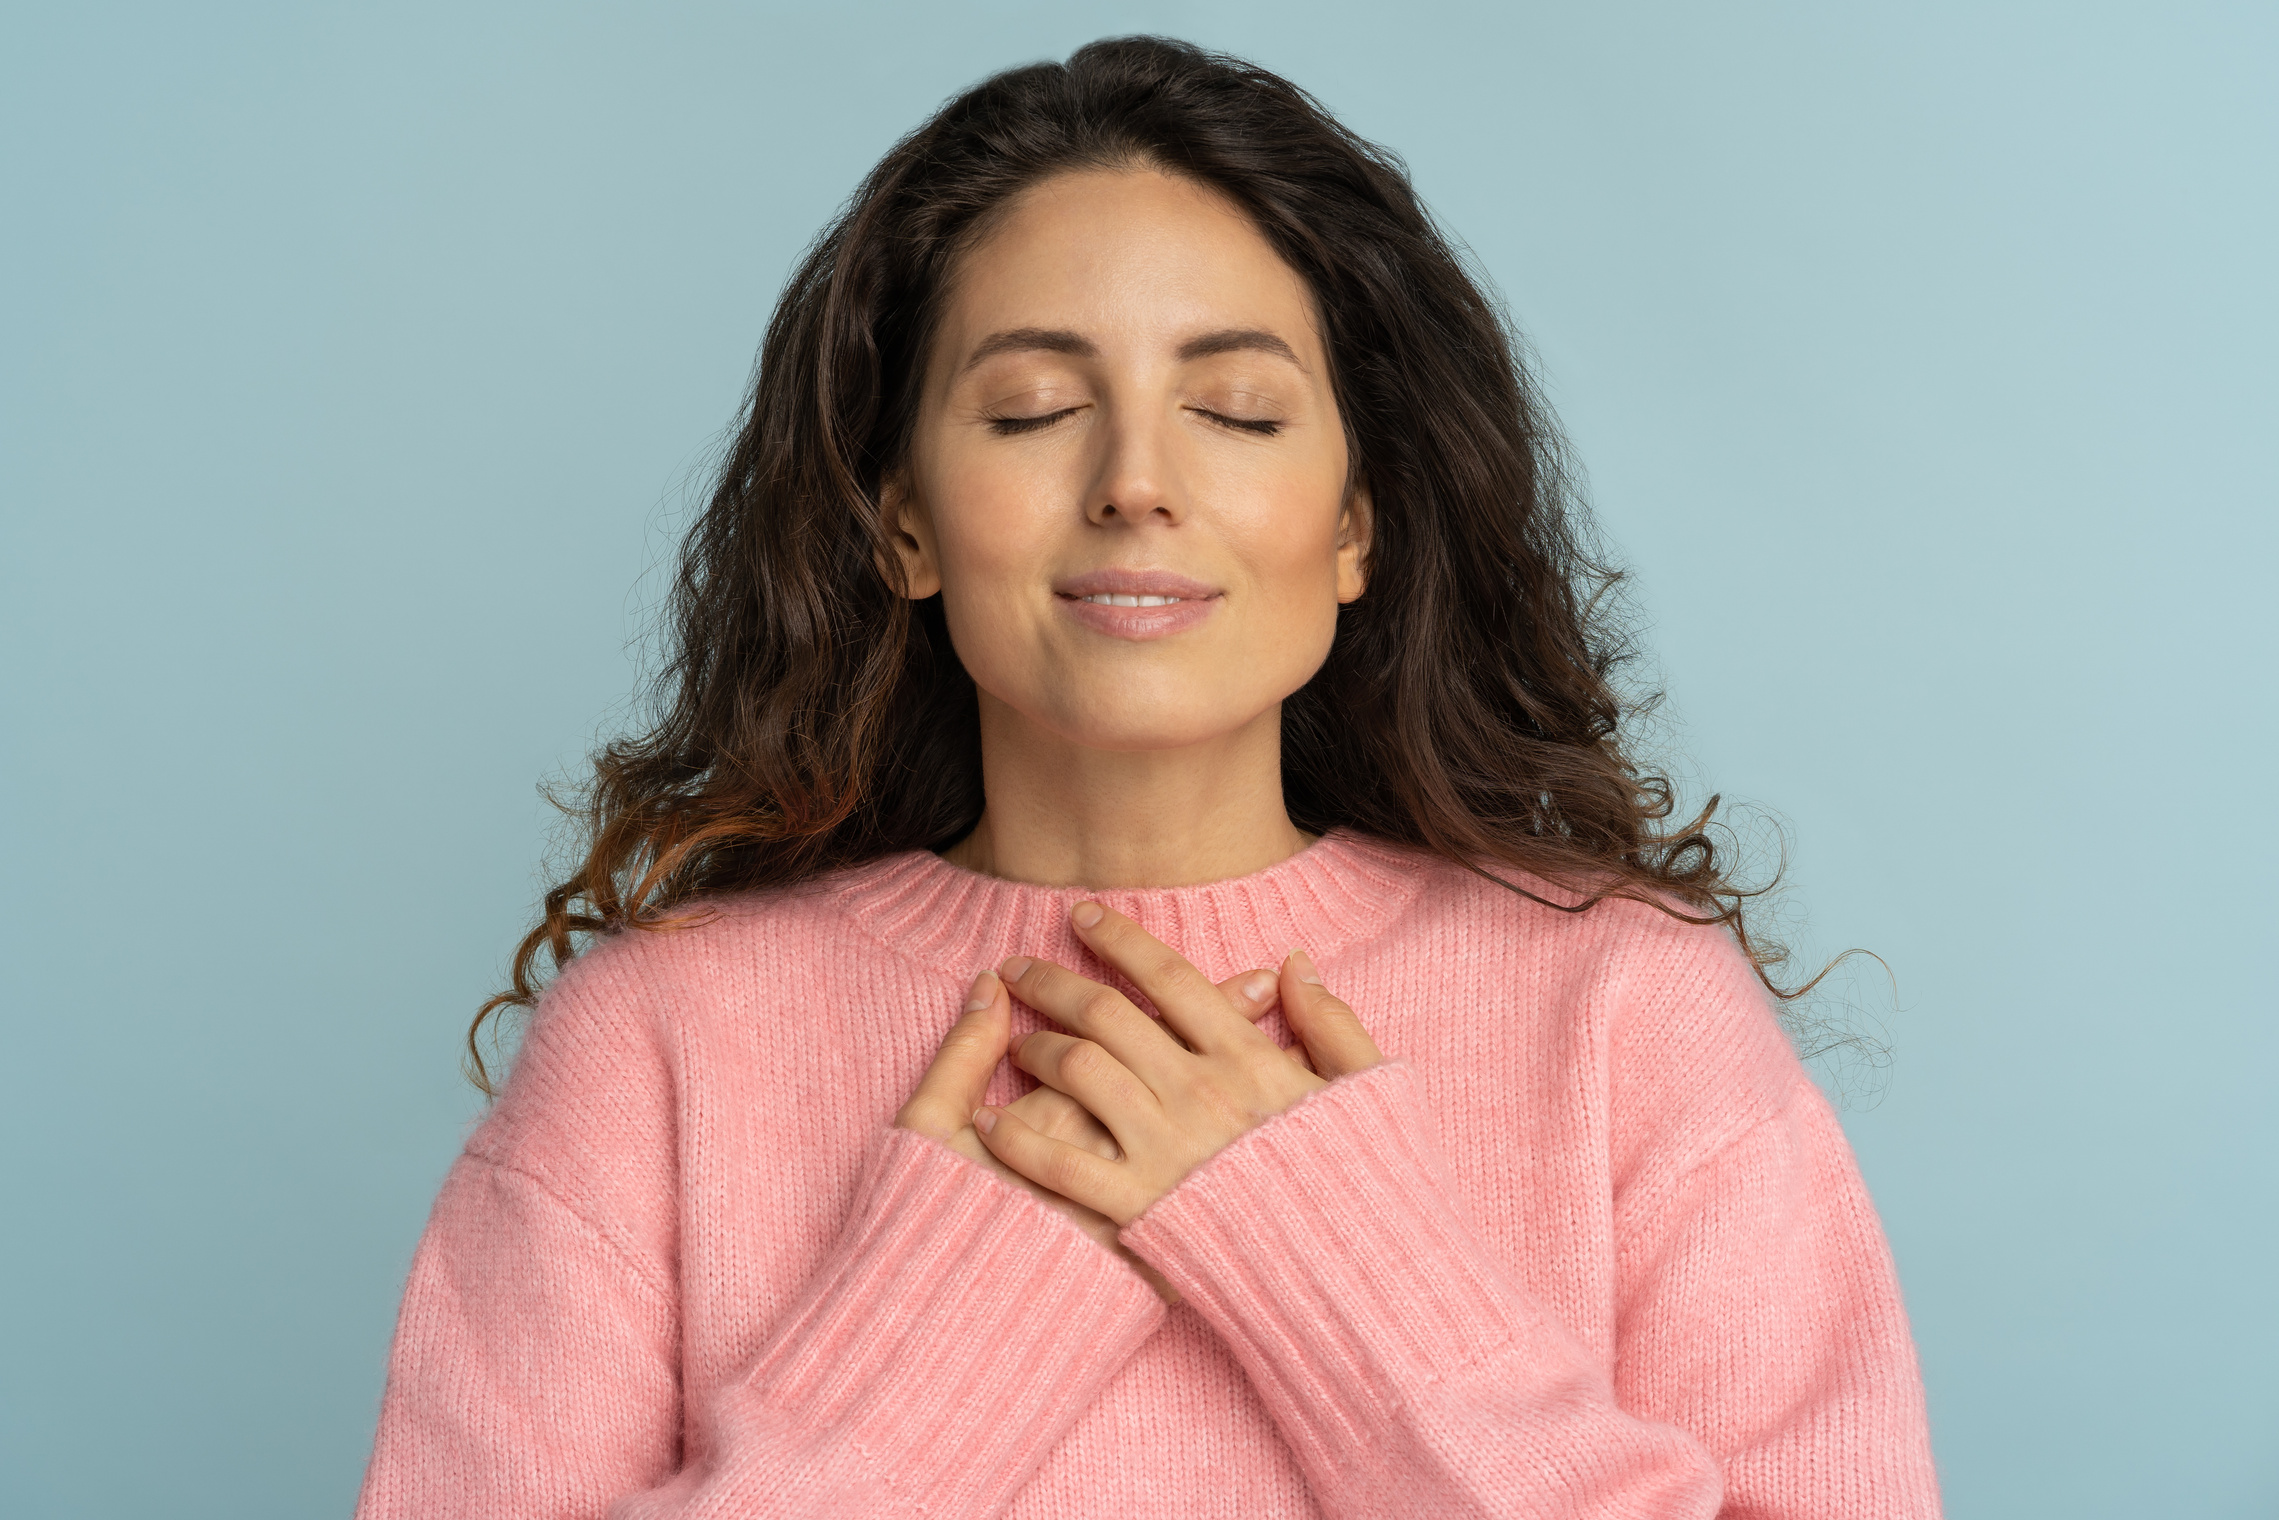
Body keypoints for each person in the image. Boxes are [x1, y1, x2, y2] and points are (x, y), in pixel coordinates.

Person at [356, 35, 1942, 1519]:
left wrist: (1341, 1270)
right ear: (901, 518)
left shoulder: (1628, 1018)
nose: (1134, 485)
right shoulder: (655, 1050)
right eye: (1035, 409)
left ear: (1355, 524)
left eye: (1236, 411)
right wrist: (913, 1376)